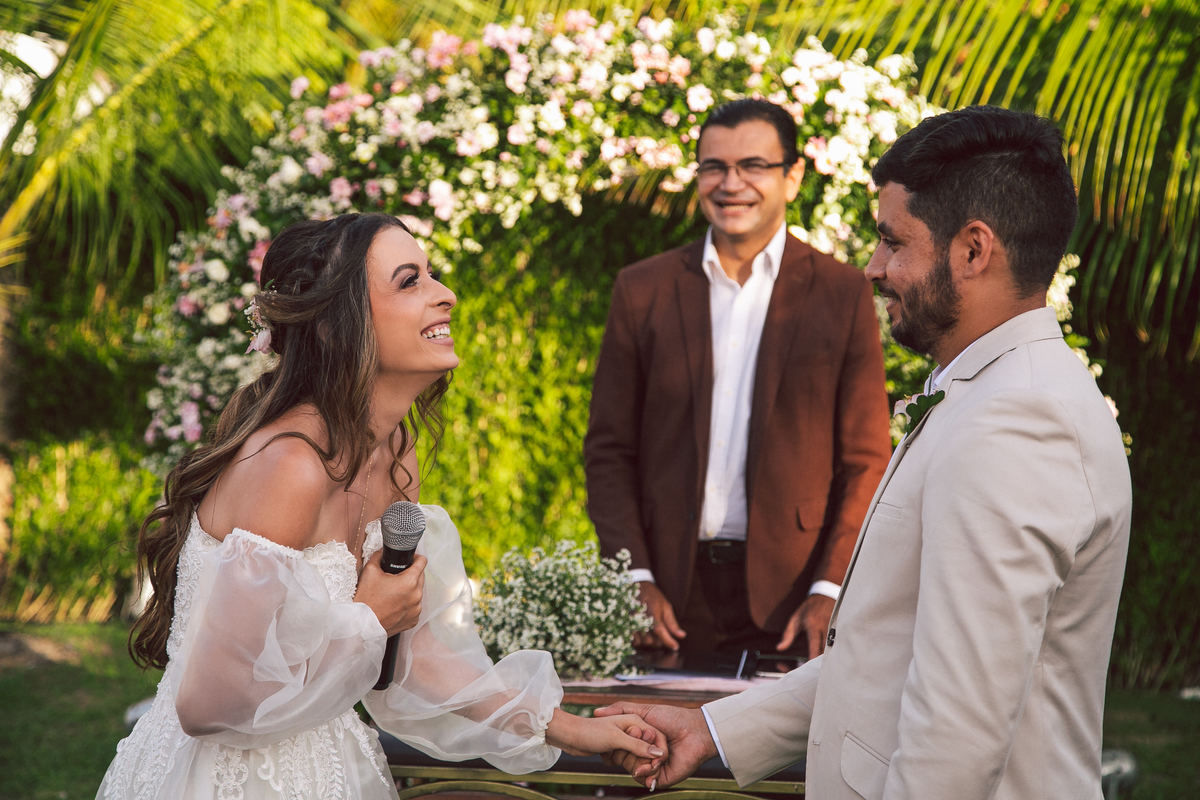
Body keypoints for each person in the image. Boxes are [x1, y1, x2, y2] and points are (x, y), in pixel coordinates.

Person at [599, 105, 1133, 799]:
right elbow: (886, 654)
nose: (875, 267)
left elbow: (956, 733)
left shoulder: (1015, 422)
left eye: (893, 241)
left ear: (973, 250)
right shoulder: (989, 392)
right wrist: (714, 730)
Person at [98, 213, 665, 800]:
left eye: (432, 275)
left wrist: (578, 729)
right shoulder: (290, 466)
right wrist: (367, 617)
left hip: (333, 766)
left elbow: (414, 659)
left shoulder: (395, 452)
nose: (446, 295)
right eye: (409, 280)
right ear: (336, 328)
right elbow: (209, 704)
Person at [584, 98, 891, 658]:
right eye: (714, 167)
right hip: (669, 600)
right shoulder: (643, 289)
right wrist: (633, 578)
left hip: (794, 604)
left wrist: (830, 588)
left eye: (753, 166)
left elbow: (866, 459)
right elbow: (609, 450)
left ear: (792, 176)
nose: (732, 184)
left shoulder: (840, 292)